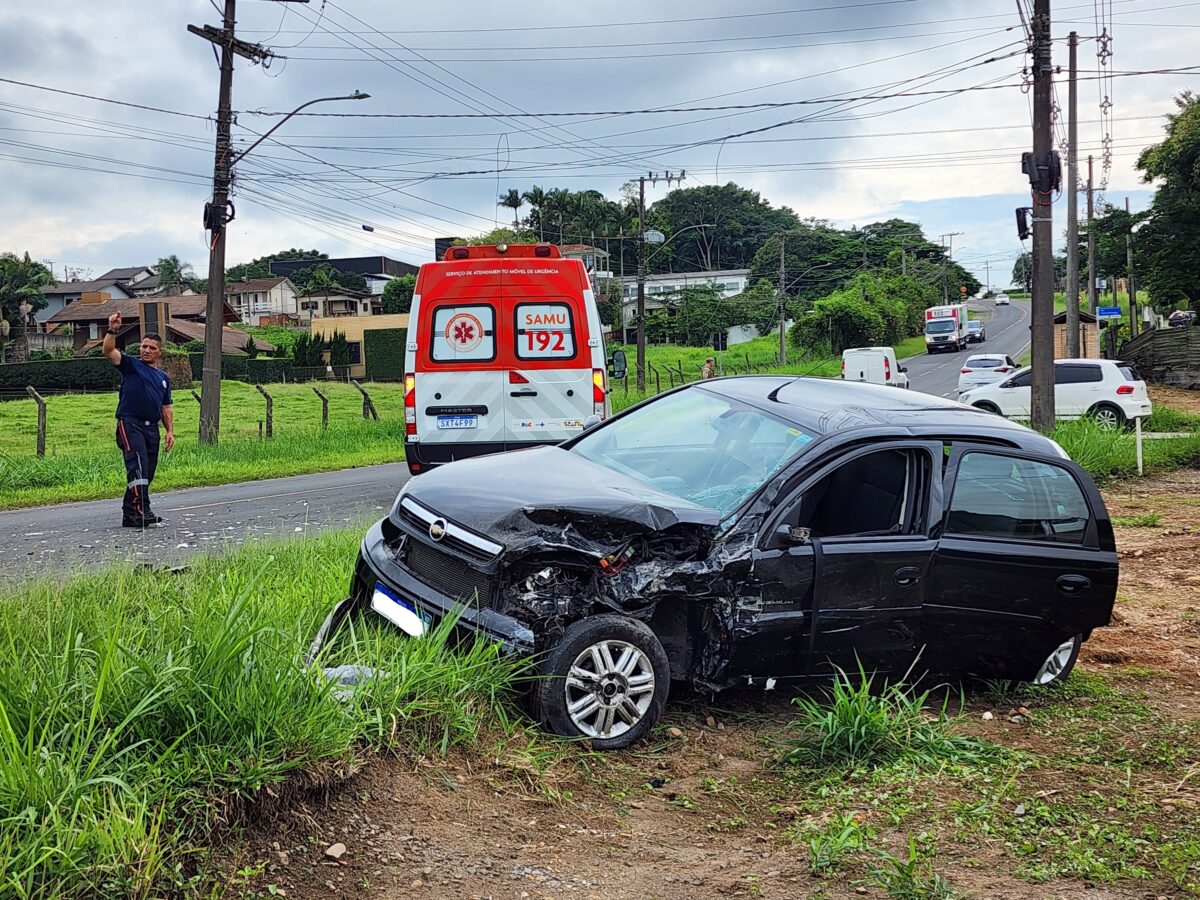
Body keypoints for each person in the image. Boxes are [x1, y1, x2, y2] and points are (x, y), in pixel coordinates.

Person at [102, 311, 174, 527]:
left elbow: (166, 407)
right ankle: (143, 510)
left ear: (159, 352)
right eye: (144, 346)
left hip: (152, 428)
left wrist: (170, 431)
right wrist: (113, 329)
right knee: (138, 466)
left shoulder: (163, 378)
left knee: (147, 471)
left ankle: (130, 514)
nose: (146, 350)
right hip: (130, 423)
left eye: (151, 348)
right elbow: (108, 350)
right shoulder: (131, 365)